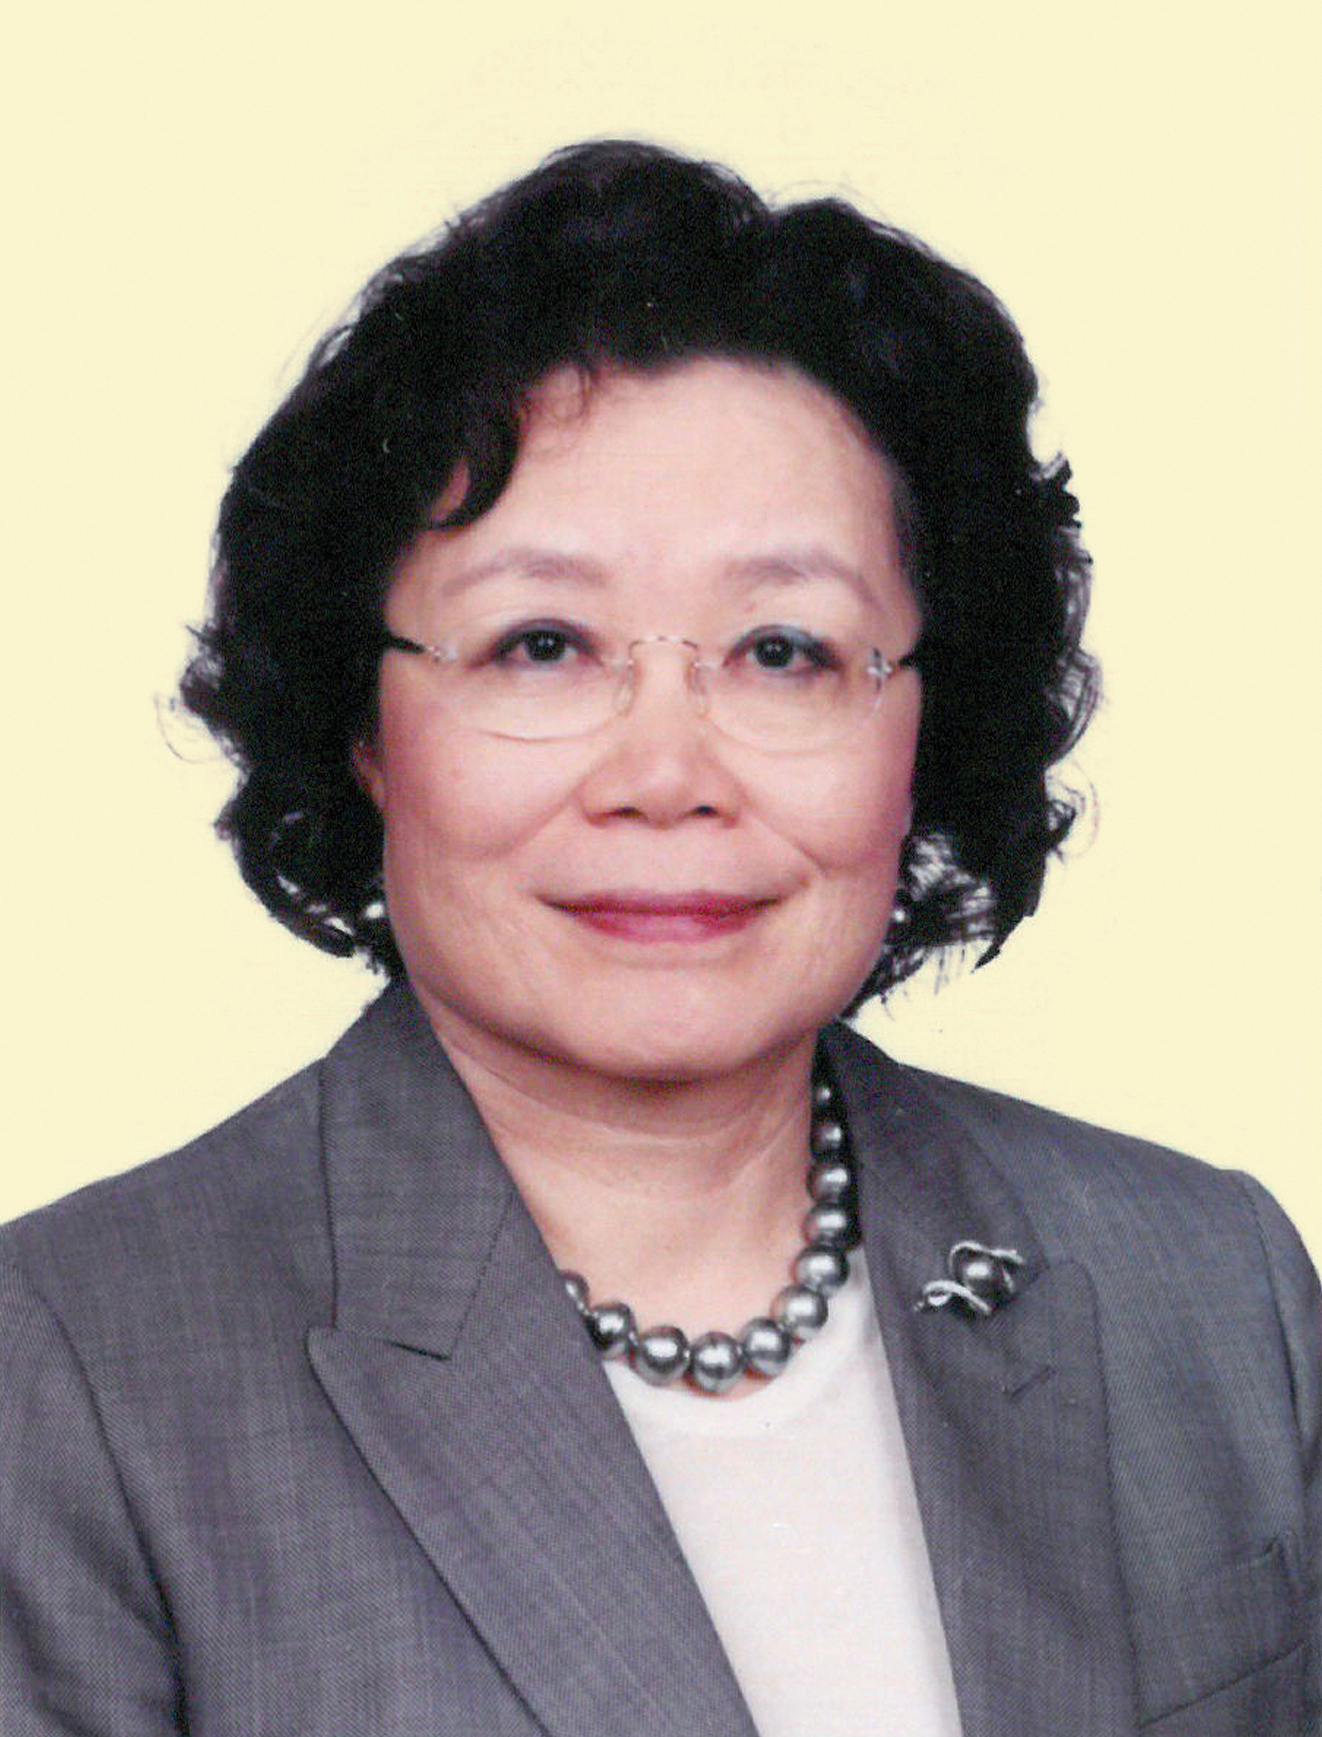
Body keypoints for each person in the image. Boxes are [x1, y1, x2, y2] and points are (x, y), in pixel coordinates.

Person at [1, 140, 1316, 1737]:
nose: (668, 774)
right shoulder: (70, 1369)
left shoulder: (1208, 1287)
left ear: (925, 717)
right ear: (363, 726)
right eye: (541, 644)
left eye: (784, 649)